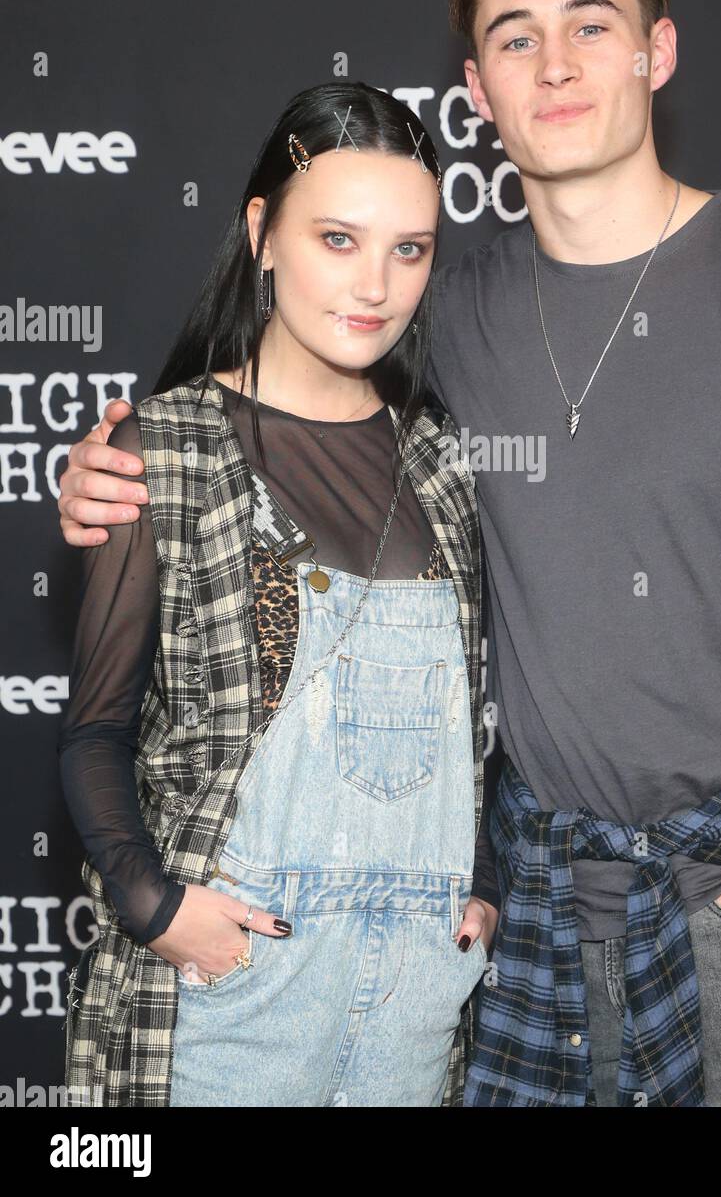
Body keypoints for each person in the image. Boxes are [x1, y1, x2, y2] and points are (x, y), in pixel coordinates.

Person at [58, 0, 721, 1107]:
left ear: (659, 51)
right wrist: (115, 474)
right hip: (527, 912)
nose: (555, 63)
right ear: (476, 91)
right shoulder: (434, 308)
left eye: (591, 26)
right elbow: (273, 407)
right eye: (515, 37)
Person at [57, 80, 499, 1107]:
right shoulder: (157, 451)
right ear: (262, 232)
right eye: (337, 239)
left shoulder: (441, 460)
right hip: (230, 1001)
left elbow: (478, 735)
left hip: (413, 1014)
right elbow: (92, 731)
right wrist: (156, 906)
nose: (376, 284)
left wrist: (484, 885)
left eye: (409, 248)